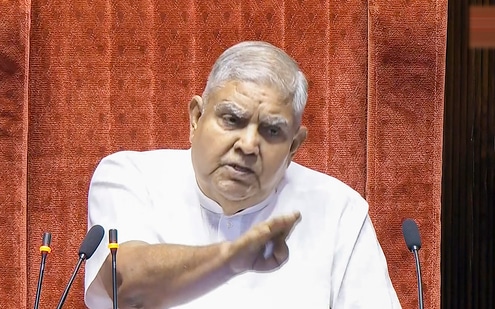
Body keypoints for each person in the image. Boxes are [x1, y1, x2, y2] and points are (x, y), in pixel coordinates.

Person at [84, 41, 401, 309]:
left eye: (272, 130)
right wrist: (233, 258)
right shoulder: (130, 177)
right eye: (232, 120)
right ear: (196, 118)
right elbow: (126, 282)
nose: (249, 145)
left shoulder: (338, 208)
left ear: (293, 147)